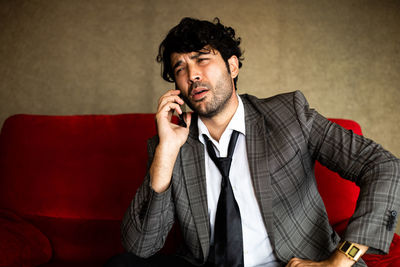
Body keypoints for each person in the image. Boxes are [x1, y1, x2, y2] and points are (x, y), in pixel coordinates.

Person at [106, 17, 400, 267]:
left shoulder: (289, 115)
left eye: (201, 59)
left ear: (232, 66)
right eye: (180, 68)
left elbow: (384, 166)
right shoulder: (170, 144)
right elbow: (141, 247)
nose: (192, 75)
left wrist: (340, 260)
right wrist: (166, 152)